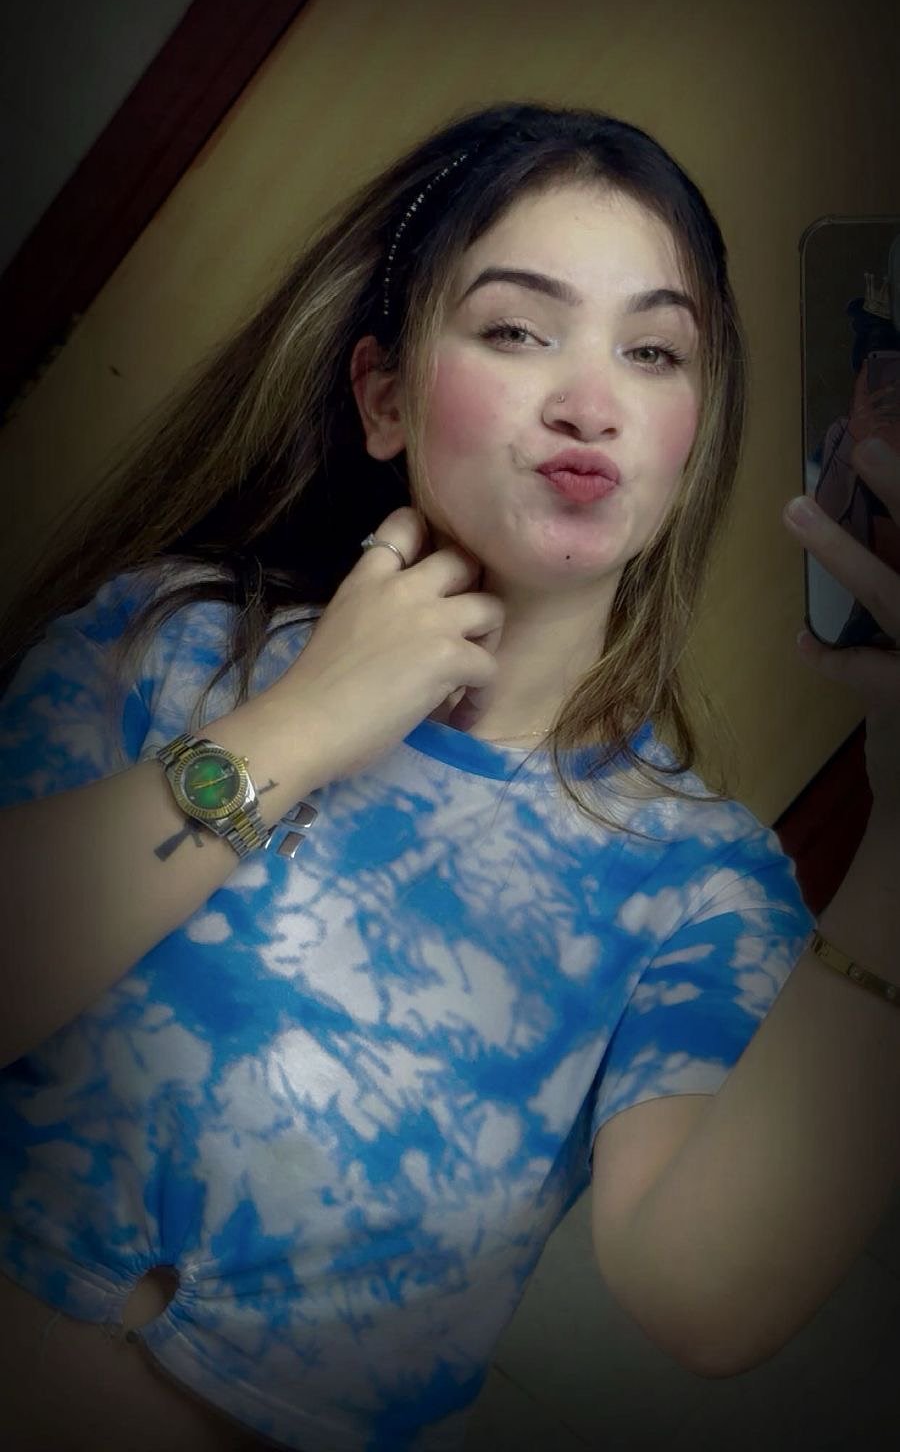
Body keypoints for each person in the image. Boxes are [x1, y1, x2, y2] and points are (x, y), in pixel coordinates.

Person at [0, 101, 828, 1448]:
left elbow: (709, 1305)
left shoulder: (700, 883)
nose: (590, 402)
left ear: (693, 442)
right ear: (384, 397)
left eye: (654, 351)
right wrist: (307, 721)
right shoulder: (165, 644)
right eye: (517, 330)